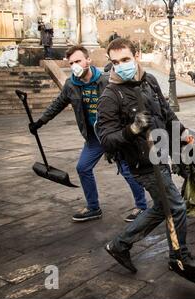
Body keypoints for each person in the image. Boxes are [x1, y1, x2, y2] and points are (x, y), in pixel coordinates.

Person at [97, 38, 195, 273]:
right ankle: (180, 257)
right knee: (176, 207)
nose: (121, 65)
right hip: (142, 164)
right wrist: (132, 130)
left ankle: (120, 245)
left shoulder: (150, 80)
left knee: (162, 207)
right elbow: (106, 139)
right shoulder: (111, 95)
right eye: (115, 62)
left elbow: (166, 113)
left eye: (125, 59)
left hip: (161, 156)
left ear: (136, 55)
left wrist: (182, 132)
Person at [28, 45, 147, 222]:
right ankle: (93, 207)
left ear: (88, 60)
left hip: (113, 134)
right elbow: (57, 104)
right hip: (93, 137)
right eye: (72, 62)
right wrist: (40, 122)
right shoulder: (71, 85)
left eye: (78, 61)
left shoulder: (107, 80)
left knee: (126, 170)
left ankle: (142, 207)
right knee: (82, 168)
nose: (75, 65)